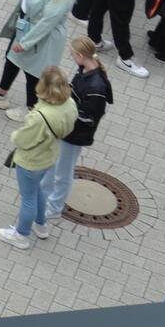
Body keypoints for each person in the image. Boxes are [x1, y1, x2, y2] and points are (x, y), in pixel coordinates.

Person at [0, 65, 78, 250]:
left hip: (31, 161)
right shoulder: (70, 104)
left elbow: (23, 140)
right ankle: (41, 225)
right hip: (50, 156)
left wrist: (15, 135)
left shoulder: (40, 116)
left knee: (28, 198)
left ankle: (21, 235)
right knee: (38, 191)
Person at [44, 35, 112, 221]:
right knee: (54, 166)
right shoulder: (85, 70)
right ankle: (46, 197)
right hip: (67, 129)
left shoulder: (96, 86)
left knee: (63, 172)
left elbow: (89, 117)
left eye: (73, 54)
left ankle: (54, 208)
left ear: (81, 55)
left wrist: (64, 112)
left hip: (75, 134)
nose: (72, 57)